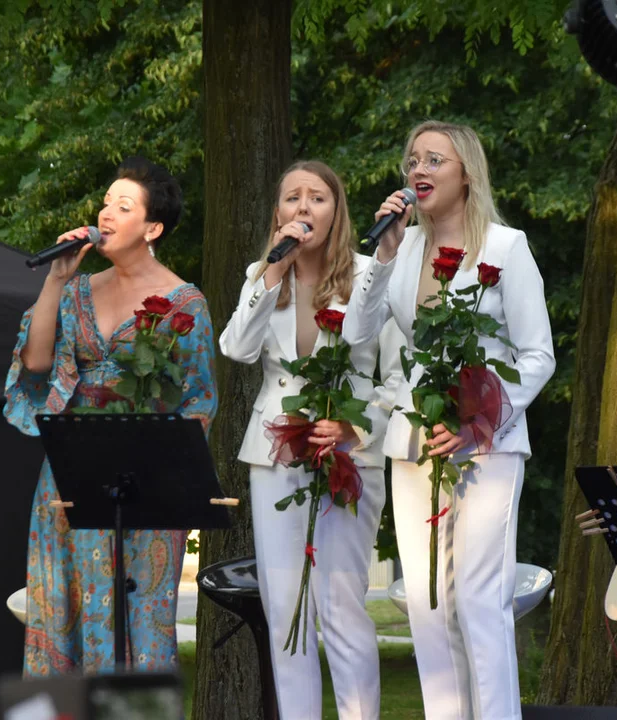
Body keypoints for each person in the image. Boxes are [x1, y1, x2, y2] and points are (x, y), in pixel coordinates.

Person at [342, 121, 556, 720]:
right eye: (413, 159)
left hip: (488, 443)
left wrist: (478, 422)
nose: (420, 169)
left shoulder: (506, 247)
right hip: (414, 440)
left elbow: (538, 355)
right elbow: (358, 333)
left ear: (467, 173)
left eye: (436, 159)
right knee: (427, 605)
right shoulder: (399, 249)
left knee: (480, 601)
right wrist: (381, 257)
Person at [3, 156, 217, 675]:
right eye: (105, 203)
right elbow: (35, 362)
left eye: (124, 206)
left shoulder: (184, 303)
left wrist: (160, 471)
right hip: (69, 474)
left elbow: (200, 401)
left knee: (135, 625)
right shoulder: (77, 289)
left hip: (144, 480)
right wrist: (56, 279)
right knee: (59, 613)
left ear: (153, 227)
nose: (106, 214)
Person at [219, 160, 405, 720]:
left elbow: (398, 379)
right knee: (285, 610)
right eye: (292, 198)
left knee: (341, 606)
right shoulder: (264, 275)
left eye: (317, 198)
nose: (304, 207)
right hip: (275, 452)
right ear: (278, 214)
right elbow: (236, 348)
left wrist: (355, 423)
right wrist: (272, 275)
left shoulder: (374, 274)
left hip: (347, 453)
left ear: (337, 212)